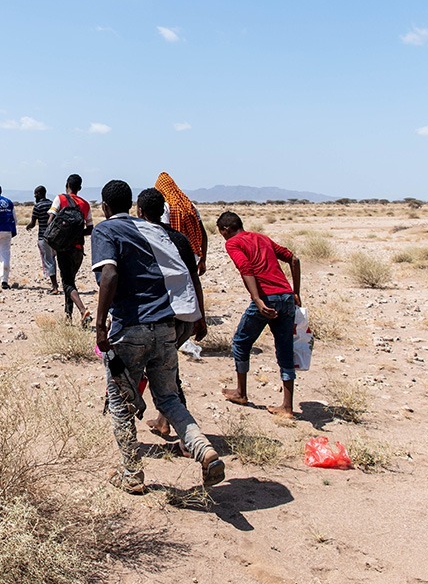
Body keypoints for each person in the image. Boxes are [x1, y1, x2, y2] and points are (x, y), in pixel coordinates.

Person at [92, 179, 224, 494]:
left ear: (105, 207)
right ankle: (202, 448)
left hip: (132, 327)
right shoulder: (151, 230)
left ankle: (132, 474)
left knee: (121, 402)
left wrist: (99, 325)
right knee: (167, 397)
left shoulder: (106, 230)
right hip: (167, 326)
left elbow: (109, 273)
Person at [136, 187, 207, 440]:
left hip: (159, 316)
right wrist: (201, 316)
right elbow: (194, 280)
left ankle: (187, 436)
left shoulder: (142, 238)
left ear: (139, 211)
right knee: (168, 369)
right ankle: (164, 422)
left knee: (166, 375)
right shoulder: (180, 239)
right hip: (185, 314)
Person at [216, 211, 301, 418]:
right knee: (285, 349)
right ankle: (287, 407)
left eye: (221, 233)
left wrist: (257, 299)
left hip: (267, 299)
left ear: (226, 229)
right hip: (286, 297)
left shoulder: (233, 243)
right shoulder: (261, 237)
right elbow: (294, 258)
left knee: (240, 342)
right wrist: (296, 292)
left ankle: (241, 392)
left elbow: (245, 267)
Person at [47, 174, 93, 325]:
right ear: (80, 188)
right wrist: (77, 234)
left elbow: (50, 220)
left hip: (64, 249)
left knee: (67, 283)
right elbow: (90, 228)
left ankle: (83, 310)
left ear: (67, 185)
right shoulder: (86, 204)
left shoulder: (60, 199)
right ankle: (68, 317)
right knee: (70, 281)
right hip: (78, 249)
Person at [155, 171, 208, 276]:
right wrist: (203, 259)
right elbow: (203, 234)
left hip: (174, 257)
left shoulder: (166, 207)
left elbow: (165, 233)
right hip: (193, 254)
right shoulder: (190, 205)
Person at [25, 185, 58, 294]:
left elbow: (33, 223)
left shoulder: (38, 206)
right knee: (53, 259)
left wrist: (28, 227)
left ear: (39, 194)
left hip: (43, 237)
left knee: (48, 261)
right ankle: (56, 283)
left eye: (35, 194)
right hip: (55, 236)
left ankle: (55, 287)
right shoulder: (52, 204)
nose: (34, 196)